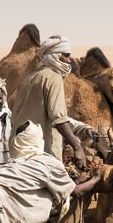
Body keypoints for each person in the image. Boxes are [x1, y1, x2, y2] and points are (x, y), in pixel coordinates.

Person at [10, 35, 88, 169]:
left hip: (21, 151)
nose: (69, 61)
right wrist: (77, 147)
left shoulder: (29, 79)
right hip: (43, 153)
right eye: (66, 55)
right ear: (56, 56)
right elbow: (59, 118)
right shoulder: (53, 78)